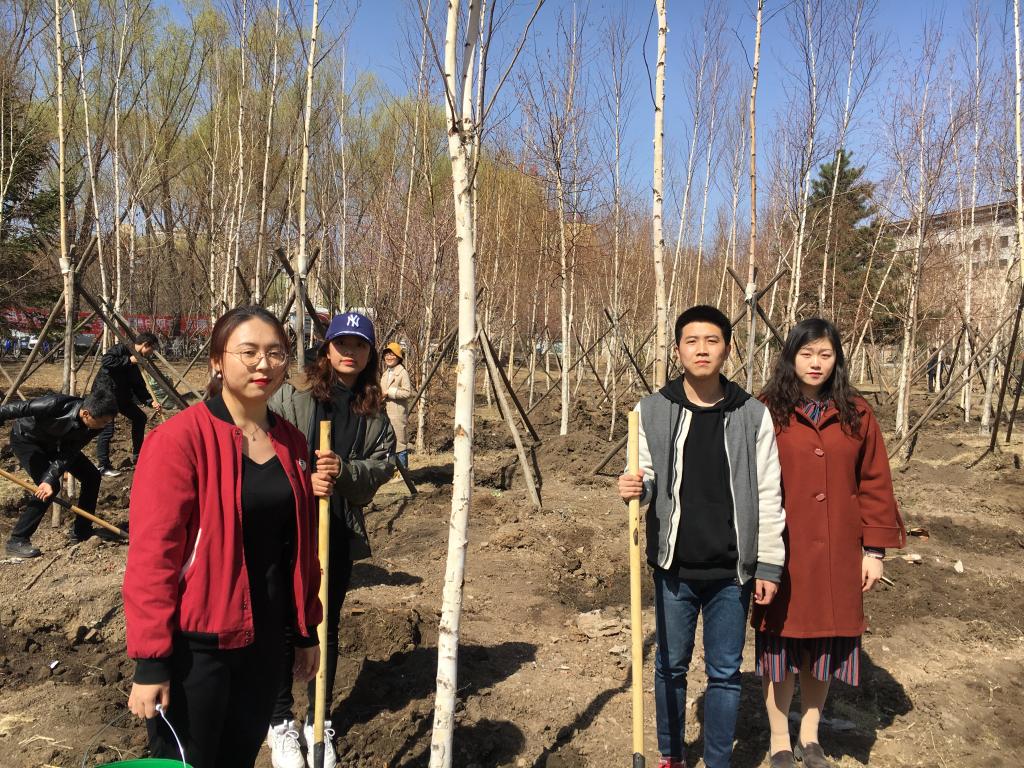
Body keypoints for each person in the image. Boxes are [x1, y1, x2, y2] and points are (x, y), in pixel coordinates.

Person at [123, 306, 337, 768]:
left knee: (239, 757)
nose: (264, 364)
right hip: (198, 648)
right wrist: (151, 661)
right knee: (187, 762)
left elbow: (299, 549)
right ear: (217, 361)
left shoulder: (292, 443)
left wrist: (306, 630)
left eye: (275, 353)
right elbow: (152, 558)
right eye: (249, 352)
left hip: (266, 641)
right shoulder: (179, 440)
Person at [617, 305, 786, 768]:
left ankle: (716, 761)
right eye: (692, 341)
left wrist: (769, 565)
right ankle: (671, 755)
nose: (702, 350)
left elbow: (769, 494)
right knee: (670, 667)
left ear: (727, 349)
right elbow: (646, 475)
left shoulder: (752, 415)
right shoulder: (652, 410)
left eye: (712, 340)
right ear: (678, 351)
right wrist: (635, 487)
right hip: (674, 568)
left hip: (732, 572)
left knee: (725, 673)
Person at [753, 318, 906, 768]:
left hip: (839, 549)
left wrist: (873, 551)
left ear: (837, 359)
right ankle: (779, 740)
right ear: (790, 357)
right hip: (783, 551)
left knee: (823, 644)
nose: (815, 363)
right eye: (806, 353)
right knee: (780, 645)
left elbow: (875, 482)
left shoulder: (856, 412)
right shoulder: (766, 410)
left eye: (825, 353)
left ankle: (810, 735)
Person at [266, 310, 396, 768]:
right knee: (284, 620)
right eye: (342, 343)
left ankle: (317, 719)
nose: (350, 352)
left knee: (325, 622)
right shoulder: (293, 396)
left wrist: (344, 471)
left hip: (336, 527)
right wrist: (303, 480)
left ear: (370, 354)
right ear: (327, 348)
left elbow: (381, 466)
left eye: (359, 345)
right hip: (287, 525)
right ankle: (280, 721)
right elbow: (262, 448)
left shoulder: (373, 413)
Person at [0, 385, 118, 557]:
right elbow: (15, 409)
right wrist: (47, 480)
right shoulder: (54, 404)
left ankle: (82, 531)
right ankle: (17, 540)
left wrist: (49, 477)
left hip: (58, 445)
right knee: (51, 487)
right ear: (86, 414)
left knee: (91, 476)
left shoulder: (94, 425)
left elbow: (69, 453)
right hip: (27, 440)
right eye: (104, 421)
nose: (106, 426)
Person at [95, 331, 162, 476]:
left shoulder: (139, 362)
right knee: (107, 429)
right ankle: (103, 466)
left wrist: (150, 402)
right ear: (145, 345)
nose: (151, 353)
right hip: (106, 394)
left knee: (140, 418)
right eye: (152, 349)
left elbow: (138, 386)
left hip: (122, 397)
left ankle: (138, 456)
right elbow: (106, 361)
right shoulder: (122, 349)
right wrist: (129, 360)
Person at [381, 341, 413, 467]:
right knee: (388, 442)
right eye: (387, 355)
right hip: (385, 413)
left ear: (399, 357)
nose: (389, 357)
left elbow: (407, 392)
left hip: (397, 414)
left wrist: (389, 392)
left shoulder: (402, 372)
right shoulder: (386, 373)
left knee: (400, 443)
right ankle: (392, 470)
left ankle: (402, 472)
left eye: (392, 354)